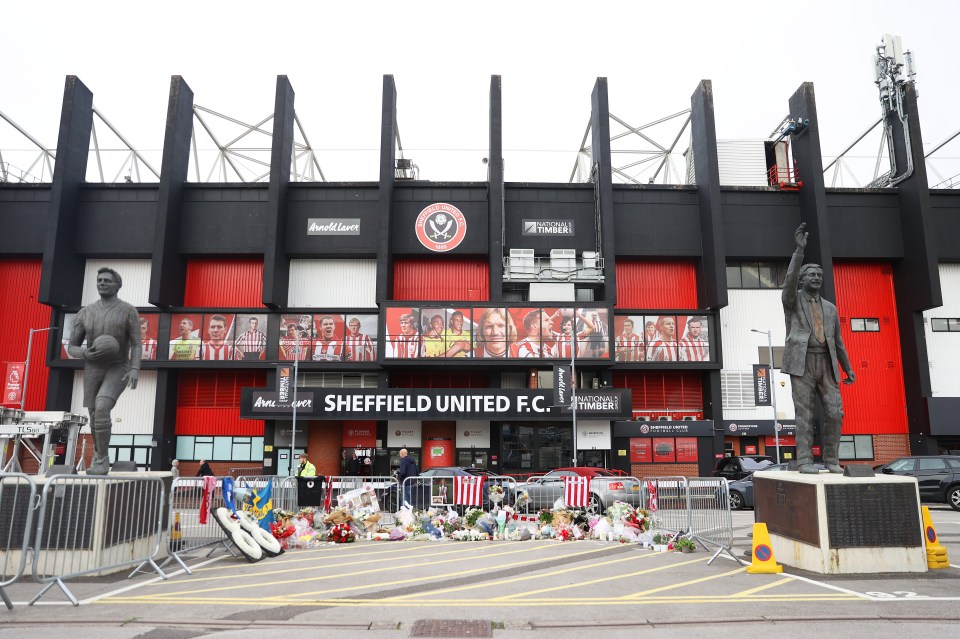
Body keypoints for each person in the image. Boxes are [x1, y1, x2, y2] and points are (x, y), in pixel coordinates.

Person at [782, 223, 855, 474]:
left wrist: (847, 367)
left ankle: (832, 460)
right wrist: (799, 252)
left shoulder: (831, 308)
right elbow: (788, 284)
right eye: (812, 275)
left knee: (835, 412)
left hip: (827, 362)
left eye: (819, 276)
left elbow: (838, 341)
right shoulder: (792, 301)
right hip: (801, 362)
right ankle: (804, 460)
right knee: (805, 414)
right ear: (802, 279)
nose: (816, 278)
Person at [66, 267, 141, 475]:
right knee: (93, 414)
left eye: (107, 280)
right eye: (99, 280)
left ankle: (102, 459)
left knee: (101, 406)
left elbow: (136, 344)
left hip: (118, 366)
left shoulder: (128, 310)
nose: (102, 283)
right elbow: (71, 346)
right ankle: (99, 456)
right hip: (93, 367)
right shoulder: (86, 312)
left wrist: (135, 368)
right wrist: (85, 354)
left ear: (117, 285)